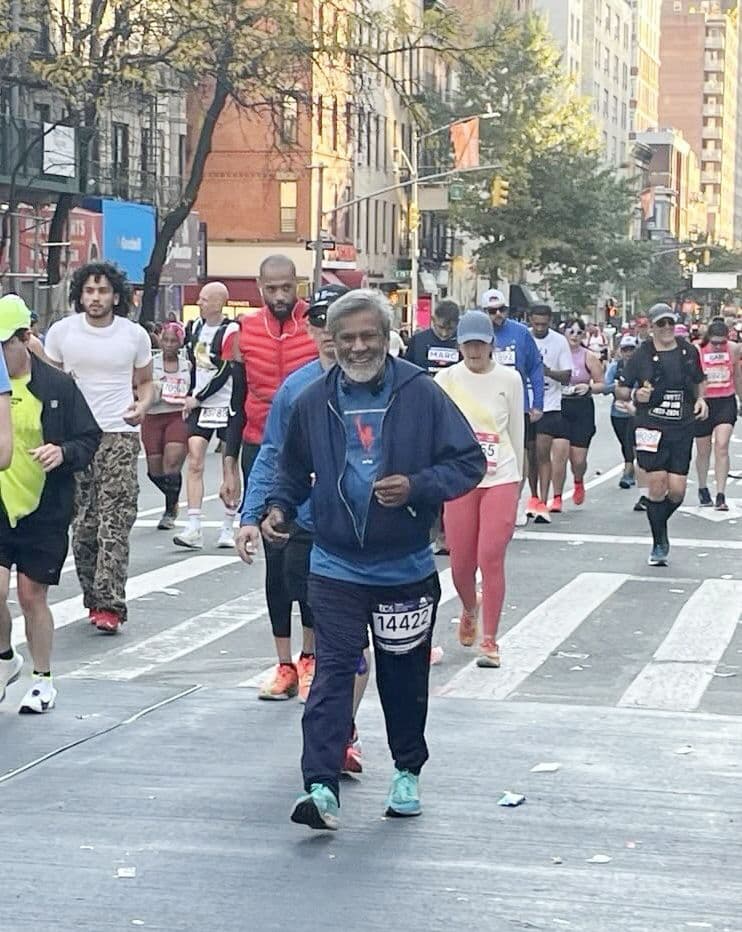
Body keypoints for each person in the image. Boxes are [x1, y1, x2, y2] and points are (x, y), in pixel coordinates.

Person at [262, 289, 485, 831]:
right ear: (332, 342)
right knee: (333, 673)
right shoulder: (312, 400)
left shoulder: (421, 392)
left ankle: (407, 771)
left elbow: (468, 461)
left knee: (403, 677)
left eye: (368, 336)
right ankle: (320, 786)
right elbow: (290, 470)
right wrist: (278, 508)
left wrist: (416, 486)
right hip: (334, 564)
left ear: (387, 339)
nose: (358, 347)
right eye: (347, 338)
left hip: (404, 566)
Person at [237, 284, 370, 773]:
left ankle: (345, 731)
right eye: (320, 322)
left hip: (368, 534)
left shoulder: (390, 384)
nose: (330, 334)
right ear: (311, 330)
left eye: (339, 322)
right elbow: (272, 453)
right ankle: (338, 737)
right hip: (311, 527)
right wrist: (251, 514)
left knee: (355, 648)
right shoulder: (296, 390)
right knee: (336, 641)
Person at [0, 296, 101, 711]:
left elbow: (89, 437)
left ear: (25, 339)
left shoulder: (57, 386)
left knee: (30, 595)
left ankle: (42, 679)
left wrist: (62, 452)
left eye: (5, 344)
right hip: (1, 503)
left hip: (45, 506)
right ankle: (5, 657)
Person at [44, 262, 154, 634]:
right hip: (76, 439)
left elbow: (146, 382)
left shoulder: (133, 335)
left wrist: (142, 405)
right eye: (89, 291)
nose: (96, 298)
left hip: (119, 434)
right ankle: (93, 596)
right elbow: (51, 384)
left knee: (115, 522)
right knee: (84, 528)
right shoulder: (62, 333)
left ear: (116, 296)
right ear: (80, 295)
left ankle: (110, 604)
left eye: (103, 291)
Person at [435, 311, 523, 668]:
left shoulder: (510, 379)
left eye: (480, 344)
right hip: (460, 478)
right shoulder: (444, 380)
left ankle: (490, 640)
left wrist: (519, 482)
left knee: (491, 555)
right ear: (459, 345)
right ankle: (470, 607)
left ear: (491, 345)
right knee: (460, 562)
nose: (474, 351)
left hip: (501, 474)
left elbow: (516, 431)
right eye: (468, 344)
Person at [617, 303, 707, 566]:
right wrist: (636, 394)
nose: (666, 328)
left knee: (677, 491)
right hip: (650, 426)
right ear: (651, 327)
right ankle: (659, 543)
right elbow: (621, 389)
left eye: (670, 323)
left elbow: (699, 380)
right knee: (656, 484)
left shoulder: (688, 351)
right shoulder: (641, 355)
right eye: (661, 324)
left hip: (681, 426)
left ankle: (658, 520)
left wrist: (701, 400)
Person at [224, 256, 317, 502]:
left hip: (308, 446)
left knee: (306, 521)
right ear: (259, 285)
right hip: (258, 443)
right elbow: (236, 402)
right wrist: (229, 467)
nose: (279, 297)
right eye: (271, 289)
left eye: (286, 288)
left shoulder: (317, 325)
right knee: (260, 519)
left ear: (296, 284)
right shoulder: (246, 329)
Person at [174, 283, 240, 550]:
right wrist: (190, 395)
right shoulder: (195, 328)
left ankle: (228, 525)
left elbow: (224, 370)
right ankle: (193, 526)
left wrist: (199, 396)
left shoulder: (231, 330)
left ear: (218, 303)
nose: (200, 303)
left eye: (204, 299)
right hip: (200, 405)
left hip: (225, 403)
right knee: (195, 461)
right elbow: (193, 365)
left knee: (229, 465)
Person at [482, 288, 543, 525]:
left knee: (519, 453)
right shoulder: (478, 334)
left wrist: (537, 403)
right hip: (484, 405)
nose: (498, 315)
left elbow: (535, 367)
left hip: (517, 405)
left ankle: (515, 502)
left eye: (502, 310)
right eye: (492, 311)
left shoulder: (520, 333)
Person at [550, 318, 604, 512]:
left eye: (579, 332)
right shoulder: (556, 354)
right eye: (571, 332)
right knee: (559, 454)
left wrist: (588, 387)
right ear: (564, 333)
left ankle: (578, 480)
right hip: (560, 406)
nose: (574, 336)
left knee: (578, 459)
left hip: (582, 408)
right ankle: (557, 497)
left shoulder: (588, 356)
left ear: (584, 335)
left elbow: (601, 384)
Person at [141, 321, 191, 529]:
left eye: (174, 341)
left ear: (180, 343)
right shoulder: (150, 364)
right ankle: (173, 495)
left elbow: (195, 388)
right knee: (154, 471)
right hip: (153, 415)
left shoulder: (187, 365)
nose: (169, 344)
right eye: (166, 340)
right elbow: (139, 385)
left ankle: (170, 511)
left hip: (176, 415)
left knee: (171, 464)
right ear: (160, 341)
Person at [525, 305, 572, 523]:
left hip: (549, 405)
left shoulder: (559, 342)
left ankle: (543, 501)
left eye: (544, 325)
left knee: (543, 453)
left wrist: (547, 371)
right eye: (536, 324)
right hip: (525, 403)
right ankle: (533, 496)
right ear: (530, 320)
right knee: (530, 455)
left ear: (550, 322)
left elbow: (567, 376)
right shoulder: (524, 337)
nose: (540, 328)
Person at [694, 318, 742, 510]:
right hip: (705, 402)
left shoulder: (733, 349)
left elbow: (737, 375)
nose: (718, 347)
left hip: (725, 400)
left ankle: (721, 494)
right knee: (703, 450)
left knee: (722, 446)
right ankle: (702, 487)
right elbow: (694, 378)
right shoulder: (698, 349)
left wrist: (741, 398)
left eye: (722, 343)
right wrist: (697, 399)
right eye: (714, 343)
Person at [604, 334, 639, 489]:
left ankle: (628, 471)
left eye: (631, 349)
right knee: (625, 443)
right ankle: (632, 468)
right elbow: (605, 387)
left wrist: (633, 392)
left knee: (631, 441)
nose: (629, 353)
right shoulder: (615, 367)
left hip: (636, 412)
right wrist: (618, 386)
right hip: (618, 412)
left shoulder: (642, 366)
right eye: (625, 349)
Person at [404, 300, 460, 373]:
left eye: (450, 328)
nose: (444, 333)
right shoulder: (417, 341)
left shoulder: (463, 344)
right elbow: (407, 370)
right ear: (433, 320)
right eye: (440, 327)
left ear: (458, 323)